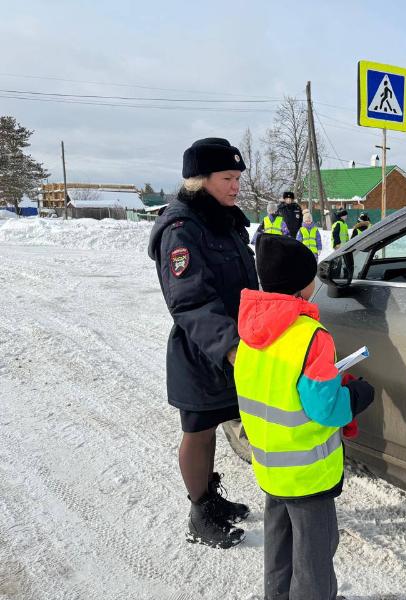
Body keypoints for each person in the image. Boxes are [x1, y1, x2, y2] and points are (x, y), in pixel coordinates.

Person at [234, 235, 375, 600]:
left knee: (279, 544)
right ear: (304, 284)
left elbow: (280, 386)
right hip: (308, 472)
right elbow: (323, 409)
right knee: (314, 555)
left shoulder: (251, 332)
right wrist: (356, 395)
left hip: (270, 464)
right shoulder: (310, 336)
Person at [147, 137, 258, 549]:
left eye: (237, 178)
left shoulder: (225, 221)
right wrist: (230, 348)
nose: (236, 187)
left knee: (216, 425)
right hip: (202, 352)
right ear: (200, 180)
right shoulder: (181, 229)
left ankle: (211, 497)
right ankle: (199, 511)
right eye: (228, 178)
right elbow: (190, 300)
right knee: (198, 430)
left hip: (234, 349)